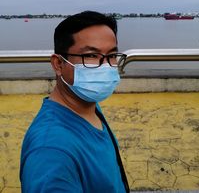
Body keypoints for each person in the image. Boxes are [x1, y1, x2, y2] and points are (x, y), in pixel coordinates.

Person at [20, 11, 129, 193]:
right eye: (91, 56)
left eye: (111, 55)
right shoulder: (51, 152)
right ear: (58, 64)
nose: (106, 66)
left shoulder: (87, 105)